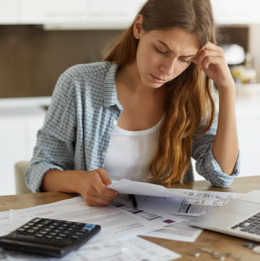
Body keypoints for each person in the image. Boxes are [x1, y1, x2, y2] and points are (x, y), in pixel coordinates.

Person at [26, 0, 240, 206]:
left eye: (184, 59)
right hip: (93, 226)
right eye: (161, 50)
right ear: (139, 28)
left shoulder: (193, 93)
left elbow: (221, 175)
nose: (169, 69)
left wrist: (227, 88)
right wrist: (80, 181)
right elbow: (39, 169)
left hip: (164, 228)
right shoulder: (79, 83)